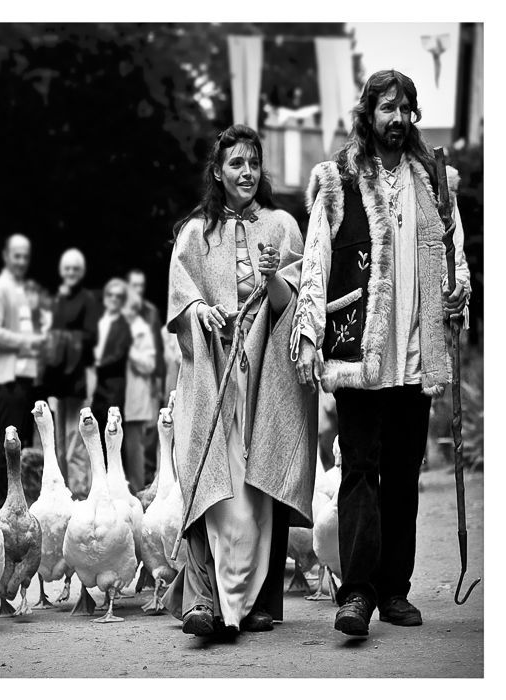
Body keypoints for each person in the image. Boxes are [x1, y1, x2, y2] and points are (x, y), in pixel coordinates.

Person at [291, 70, 471, 637]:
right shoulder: (337, 180)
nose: (397, 119)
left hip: (416, 355)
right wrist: (308, 328)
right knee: (358, 470)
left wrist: (458, 286)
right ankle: (357, 594)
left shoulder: (432, 180)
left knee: (401, 473)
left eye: (405, 109)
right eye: (387, 108)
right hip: (357, 354)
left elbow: (453, 248)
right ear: (367, 113)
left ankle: (395, 589)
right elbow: (316, 259)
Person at [162, 124, 316, 638]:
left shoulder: (283, 226)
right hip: (213, 377)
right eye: (235, 164)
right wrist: (200, 310)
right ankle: (203, 601)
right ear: (218, 172)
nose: (246, 172)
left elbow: (292, 309)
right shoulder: (194, 232)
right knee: (210, 481)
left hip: (264, 381)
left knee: (260, 483)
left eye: (253, 162)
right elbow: (181, 301)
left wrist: (273, 275)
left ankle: (258, 603)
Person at [0, 234, 46, 510]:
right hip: (8, 376)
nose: (21, 261)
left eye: (25, 256)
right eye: (16, 255)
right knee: (5, 437)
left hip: (23, 375)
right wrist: (28, 342)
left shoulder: (20, 289)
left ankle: (12, 495)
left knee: (17, 437)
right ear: (6, 256)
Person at [42, 248, 99, 483]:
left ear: (82, 271)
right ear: (61, 271)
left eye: (75, 269)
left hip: (78, 376)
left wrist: (61, 337)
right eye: (67, 268)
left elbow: (91, 335)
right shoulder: (57, 300)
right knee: (59, 443)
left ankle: (79, 493)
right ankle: (61, 492)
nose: (71, 272)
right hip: (58, 377)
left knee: (75, 440)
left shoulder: (88, 299)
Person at [126, 268, 165, 484]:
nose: (137, 290)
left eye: (141, 285)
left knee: (146, 433)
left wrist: (157, 382)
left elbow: (156, 351)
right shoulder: (119, 311)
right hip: (122, 384)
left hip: (143, 379)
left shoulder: (149, 312)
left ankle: (143, 480)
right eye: (134, 285)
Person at [90, 278, 132, 449]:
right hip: (94, 385)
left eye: (118, 296)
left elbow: (118, 355)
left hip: (113, 386)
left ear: (123, 301)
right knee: (94, 432)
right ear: (105, 297)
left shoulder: (124, 326)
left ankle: (114, 472)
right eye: (110, 295)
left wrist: (95, 365)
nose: (114, 299)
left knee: (112, 432)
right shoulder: (97, 322)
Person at [122, 290, 157, 493]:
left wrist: (131, 352)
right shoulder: (115, 327)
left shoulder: (142, 330)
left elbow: (149, 365)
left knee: (135, 450)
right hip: (118, 398)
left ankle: (136, 491)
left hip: (135, 400)